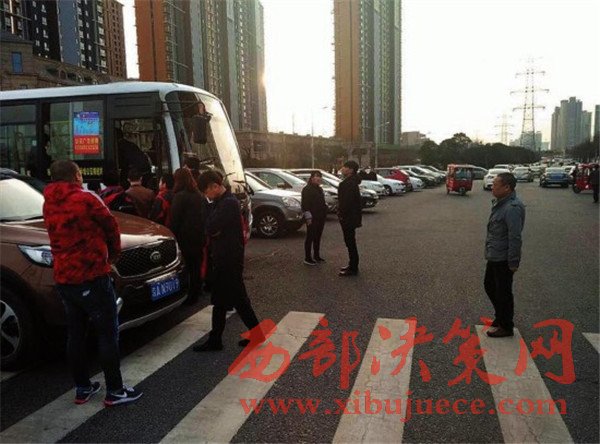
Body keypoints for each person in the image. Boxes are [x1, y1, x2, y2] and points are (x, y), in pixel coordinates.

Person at [42, 160, 142, 406]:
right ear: (76, 175)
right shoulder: (86, 199)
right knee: (107, 334)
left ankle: (83, 388)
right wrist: (113, 255)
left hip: (64, 278)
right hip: (92, 275)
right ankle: (115, 391)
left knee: (75, 334)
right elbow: (111, 227)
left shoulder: (48, 202)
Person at [193, 170, 262, 352]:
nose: (206, 196)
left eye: (206, 192)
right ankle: (220, 338)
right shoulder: (222, 202)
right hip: (226, 258)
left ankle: (219, 340)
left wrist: (209, 217)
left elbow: (210, 227)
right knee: (228, 300)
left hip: (228, 259)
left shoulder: (228, 203)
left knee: (229, 300)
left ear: (215, 186)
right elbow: (212, 229)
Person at [484, 172, 526, 338]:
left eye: (495, 185)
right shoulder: (501, 203)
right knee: (490, 286)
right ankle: (500, 316)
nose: (492, 187)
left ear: (507, 187)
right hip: (495, 254)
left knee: (503, 292)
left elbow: (515, 237)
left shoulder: (512, 208)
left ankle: (506, 325)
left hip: (503, 258)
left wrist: (513, 261)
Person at [170, 168, 206, 304]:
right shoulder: (199, 194)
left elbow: (175, 220)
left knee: (187, 266)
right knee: (196, 265)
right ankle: (196, 291)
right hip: (199, 235)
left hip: (184, 237)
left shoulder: (179, 196)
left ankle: (189, 295)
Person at [337, 160, 362, 276]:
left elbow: (346, 202)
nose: (342, 168)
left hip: (348, 217)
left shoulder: (349, 183)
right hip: (351, 217)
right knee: (350, 241)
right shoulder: (352, 182)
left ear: (351, 170)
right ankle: (352, 264)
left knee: (350, 242)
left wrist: (341, 214)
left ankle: (353, 267)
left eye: (345, 167)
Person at [301, 171, 328, 265]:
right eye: (316, 176)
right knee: (310, 237)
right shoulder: (307, 189)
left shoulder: (319, 189)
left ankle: (317, 255)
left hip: (321, 216)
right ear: (311, 178)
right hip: (312, 217)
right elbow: (305, 204)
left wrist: (325, 209)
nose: (318, 178)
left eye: (320, 176)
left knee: (318, 237)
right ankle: (307, 258)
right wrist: (308, 217)